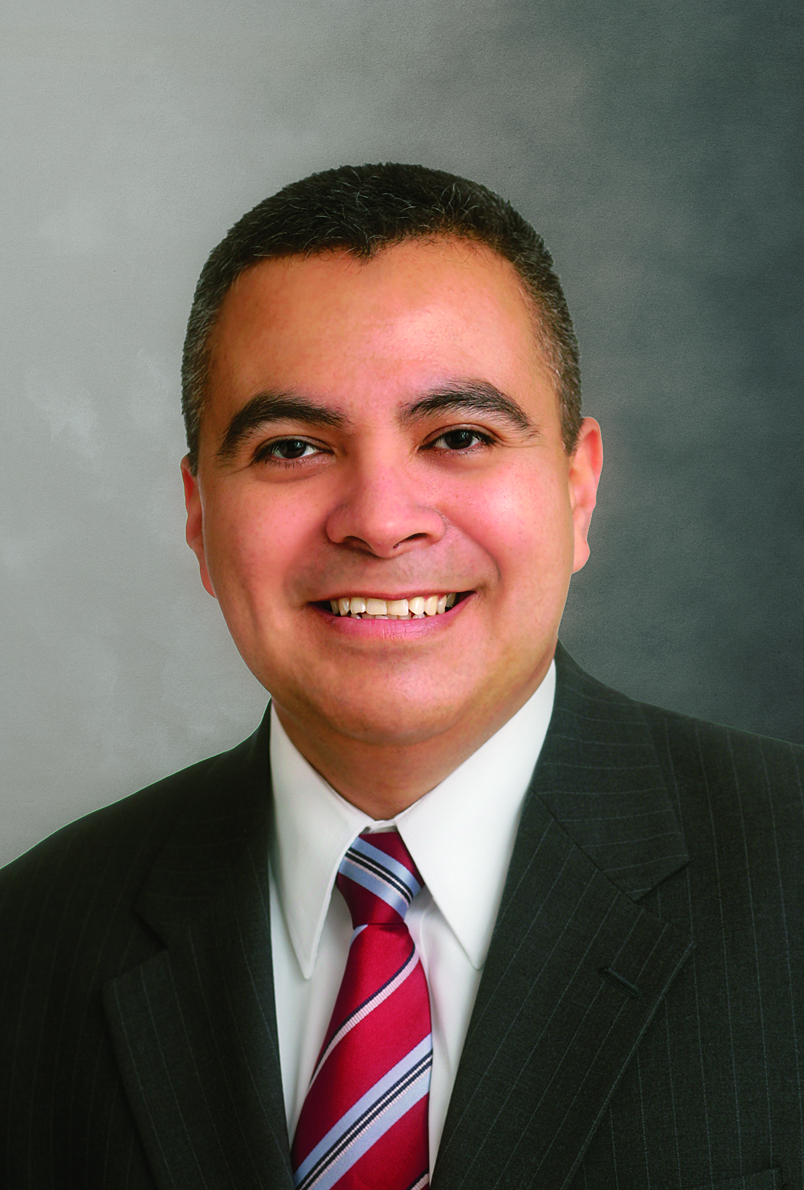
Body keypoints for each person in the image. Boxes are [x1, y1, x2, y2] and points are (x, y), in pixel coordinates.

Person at [1, 163, 802, 1190]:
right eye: (293, 447)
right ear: (199, 516)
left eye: (459, 436)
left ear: (578, 487)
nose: (381, 521)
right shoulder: (28, 946)